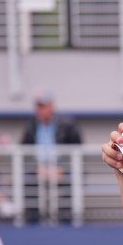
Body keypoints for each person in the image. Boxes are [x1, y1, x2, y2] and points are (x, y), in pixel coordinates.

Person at [20, 90, 83, 224]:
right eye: (38, 106)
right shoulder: (31, 125)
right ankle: (32, 220)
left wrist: (62, 168)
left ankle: (66, 220)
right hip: (38, 168)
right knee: (27, 180)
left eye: (43, 106)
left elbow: (77, 150)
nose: (40, 110)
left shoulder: (68, 125)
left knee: (70, 180)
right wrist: (37, 168)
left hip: (61, 168)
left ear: (51, 106)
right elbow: (24, 151)